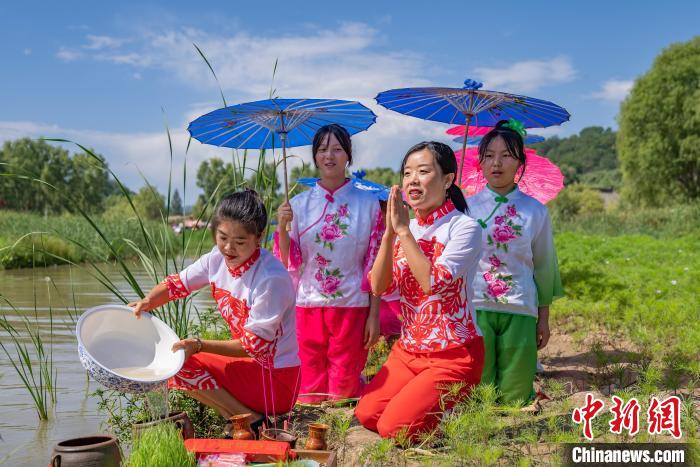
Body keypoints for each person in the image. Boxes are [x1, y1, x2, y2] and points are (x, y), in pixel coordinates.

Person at [128, 190, 300, 434]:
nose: (229, 248)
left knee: (181, 360)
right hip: (249, 370)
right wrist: (146, 302)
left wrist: (198, 345)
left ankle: (249, 420)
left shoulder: (271, 278)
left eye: (240, 242)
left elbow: (253, 347)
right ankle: (238, 417)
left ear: (259, 237)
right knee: (175, 361)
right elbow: (177, 285)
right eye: (222, 237)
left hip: (277, 381)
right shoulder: (215, 260)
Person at [355, 141, 484, 440]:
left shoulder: (465, 228)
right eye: (407, 173)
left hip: (453, 355)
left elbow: (433, 283)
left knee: (393, 428)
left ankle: (452, 409)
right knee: (367, 414)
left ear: (447, 180)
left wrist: (403, 231)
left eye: (423, 171)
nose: (413, 180)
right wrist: (390, 234)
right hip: (408, 351)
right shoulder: (407, 228)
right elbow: (378, 286)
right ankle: (428, 404)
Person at [274, 124, 383, 403]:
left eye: (337, 149)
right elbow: (287, 261)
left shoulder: (369, 204)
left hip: (353, 306)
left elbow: (374, 264)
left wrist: (374, 315)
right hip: (307, 305)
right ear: (315, 156)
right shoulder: (298, 205)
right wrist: (282, 226)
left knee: (343, 393)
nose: (329, 156)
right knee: (309, 392)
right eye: (322, 150)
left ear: (348, 155)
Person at [467, 119, 563, 404]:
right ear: (480, 163)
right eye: (489, 155)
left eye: (506, 155)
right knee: (478, 391)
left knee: (515, 395)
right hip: (475, 307)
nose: (496, 163)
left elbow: (544, 267)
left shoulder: (535, 211)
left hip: (520, 307)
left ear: (520, 162)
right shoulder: (465, 208)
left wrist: (543, 319)